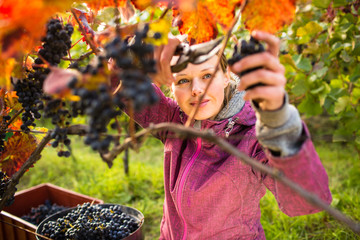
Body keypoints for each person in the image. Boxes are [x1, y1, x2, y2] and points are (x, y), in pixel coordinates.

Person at [131, 30, 332, 239]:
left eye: (207, 75)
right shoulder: (173, 121)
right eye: (182, 80)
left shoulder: (251, 138)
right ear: (171, 86)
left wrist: (279, 121)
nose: (197, 89)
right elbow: (121, 83)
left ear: (226, 76)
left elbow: (307, 201)